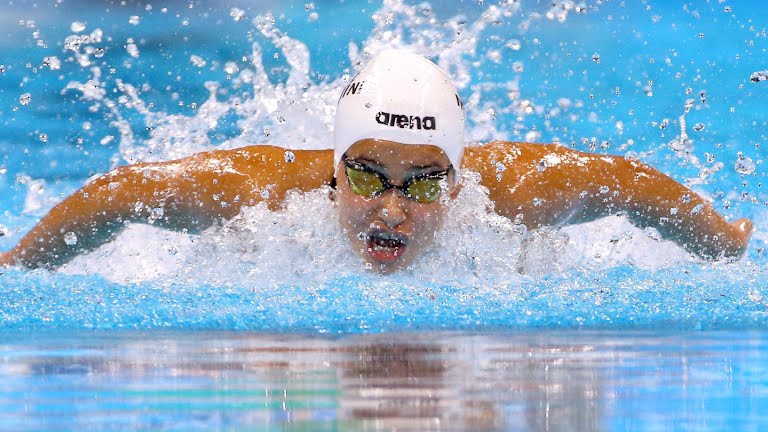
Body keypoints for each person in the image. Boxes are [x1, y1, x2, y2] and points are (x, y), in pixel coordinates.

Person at [0, 50, 753, 272]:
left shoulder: (516, 192)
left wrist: (728, 245)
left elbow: (630, 188)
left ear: (457, 184)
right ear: (334, 169)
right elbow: (121, 194)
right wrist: (14, 273)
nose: (390, 208)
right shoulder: (261, 194)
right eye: (365, 177)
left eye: (423, 184)